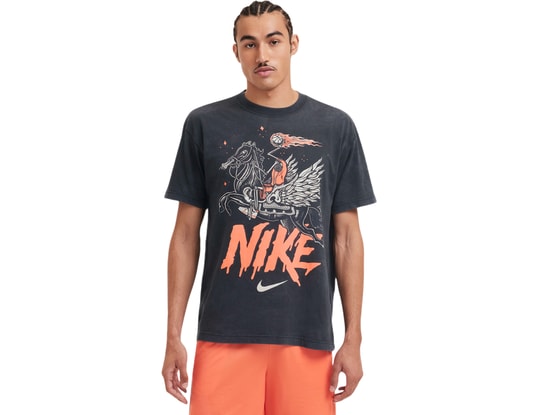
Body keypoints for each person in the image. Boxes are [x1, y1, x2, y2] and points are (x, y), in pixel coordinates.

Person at [161, 2, 376, 414]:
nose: (262, 54)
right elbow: (185, 235)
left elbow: (348, 239)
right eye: (250, 44)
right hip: (223, 334)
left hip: (306, 338)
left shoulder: (335, 128)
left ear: (293, 45)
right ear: (236, 52)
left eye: (273, 41)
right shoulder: (204, 124)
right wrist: (173, 335)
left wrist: (354, 338)